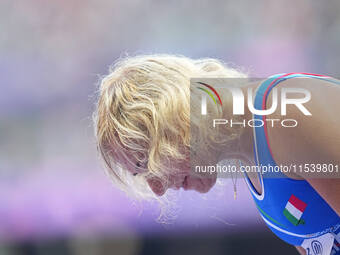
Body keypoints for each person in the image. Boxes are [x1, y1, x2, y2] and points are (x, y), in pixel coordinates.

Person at [94, 54, 340, 255]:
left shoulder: (286, 116)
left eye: (146, 163)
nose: (157, 188)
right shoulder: (253, 154)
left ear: (171, 121)